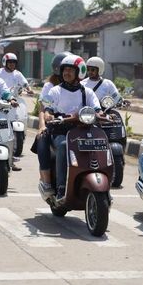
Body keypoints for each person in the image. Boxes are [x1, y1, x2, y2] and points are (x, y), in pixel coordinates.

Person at [43, 54, 101, 199]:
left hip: (83, 129)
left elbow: (97, 109)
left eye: (70, 70)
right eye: (65, 70)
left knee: (99, 143)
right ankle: (62, 186)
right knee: (63, 145)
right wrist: (48, 115)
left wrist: (105, 115)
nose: (66, 73)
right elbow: (47, 108)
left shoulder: (87, 92)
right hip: (60, 129)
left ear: (79, 72)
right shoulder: (55, 90)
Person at [36, 52, 71, 197]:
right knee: (43, 140)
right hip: (55, 123)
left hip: (77, 124)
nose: (69, 73)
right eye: (66, 69)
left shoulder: (81, 87)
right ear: (59, 69)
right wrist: (42, 125)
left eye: (72, 69)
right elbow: (43, 108)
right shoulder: (50, 87)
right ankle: (47, 182)